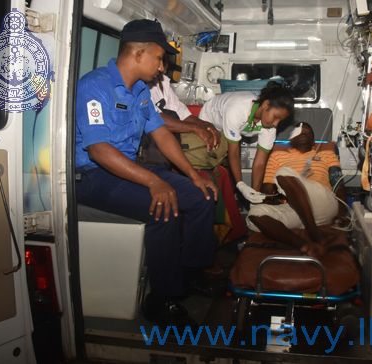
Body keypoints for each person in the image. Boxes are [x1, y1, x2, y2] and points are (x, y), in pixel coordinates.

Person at [75, 19, 218, 325]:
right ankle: (162, 299)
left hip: (127, 169)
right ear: (138, 54)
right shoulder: (94, 86)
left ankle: (189, 272)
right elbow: (98, 150)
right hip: (93, 176)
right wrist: (154, 181)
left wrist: (194, 175)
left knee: (201, 197)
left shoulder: (140, 90)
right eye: (159, 58)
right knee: (163, 208)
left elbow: (161, 134)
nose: (162, 68)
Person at [198, 82, 294, 203]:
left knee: (228, 167)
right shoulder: (237, 109)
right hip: (209, 120)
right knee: (217, 162)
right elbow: (234, 152)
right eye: (275, 117)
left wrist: (255, 195)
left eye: (280, 121)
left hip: (229, 127)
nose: (276, 124)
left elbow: (260, 162)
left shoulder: (270, 127)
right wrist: (241, 185)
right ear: (266, 105)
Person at [246, 122, 343, 242]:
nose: (303, 134)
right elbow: (268, 191)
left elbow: (339, 185)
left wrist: (342, 215)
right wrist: (278, 200)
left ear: (313, 141)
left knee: (283, 172)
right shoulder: (277, 156)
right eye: (299, 132)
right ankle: (302, 245)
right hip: (293, 209)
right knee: (254, 214)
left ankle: (313, 233)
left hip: (322, 204)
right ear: (291, 138)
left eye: (307, 133)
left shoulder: (326, 154)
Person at [148, 55, 220, 151]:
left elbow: (183, 114)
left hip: (171, 134)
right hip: (152, 139)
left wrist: (206, 125)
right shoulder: (143, 85)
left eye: (163, 61)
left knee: (217, 139)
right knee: (205, 145)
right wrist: (195, 128)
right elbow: (157, 119)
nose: (161, 67)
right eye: (159, 60)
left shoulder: (164, 82)